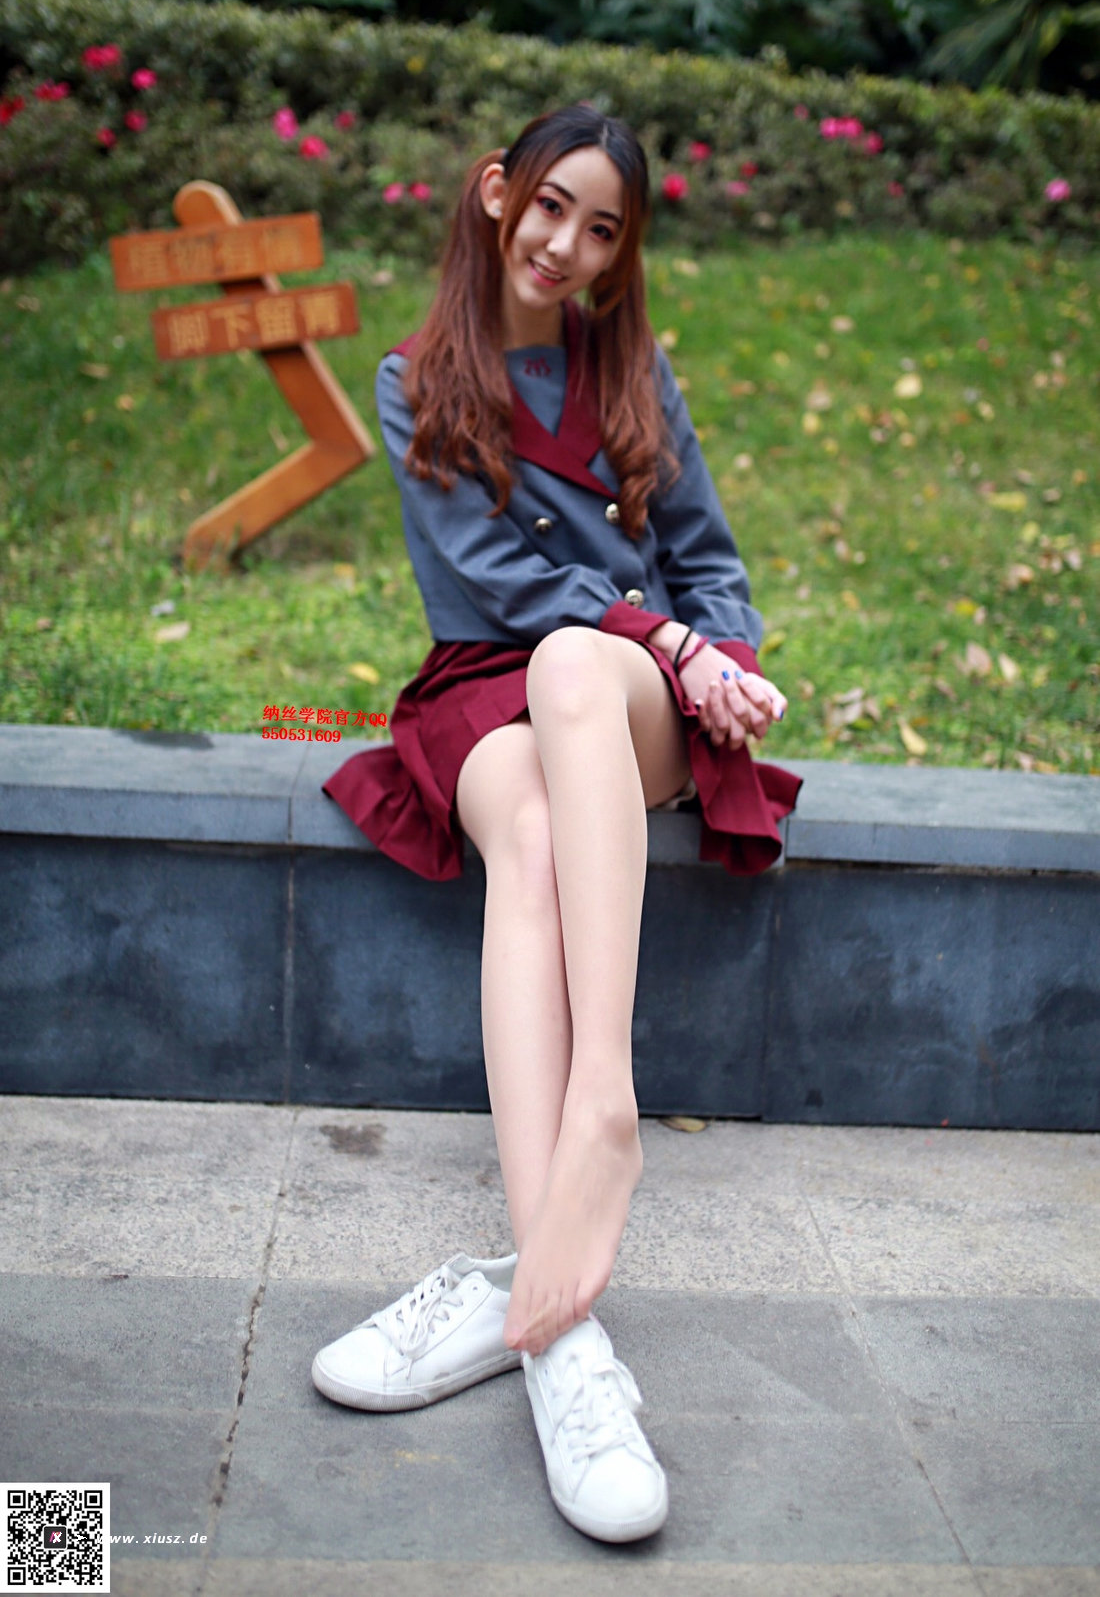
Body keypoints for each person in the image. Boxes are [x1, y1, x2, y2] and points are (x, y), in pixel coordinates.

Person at [313, 103, 801, 1544]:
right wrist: (669, 637)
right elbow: (503, 586)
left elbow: (710, 560)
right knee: (527, 814)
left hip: (630, 692)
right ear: (495, 193)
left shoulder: (633, 369)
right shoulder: (416, 380)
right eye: (548, 208)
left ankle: (605, 1101)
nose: (565, 246)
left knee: (583, 668)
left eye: (601, 230)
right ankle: (557, 1324)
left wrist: (720, 663)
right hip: (487, 681)